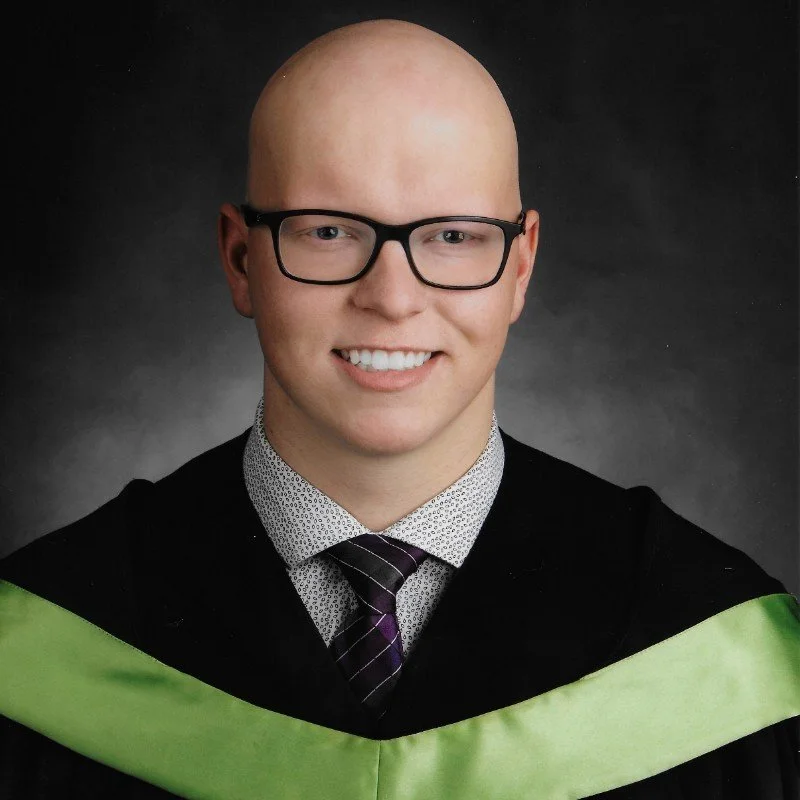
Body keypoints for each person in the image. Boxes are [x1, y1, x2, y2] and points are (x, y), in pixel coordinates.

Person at [0, 18, 797, 800]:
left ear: (519, 267)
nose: (392, 297)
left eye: (453, 235)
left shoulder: (713, 653)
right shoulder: (46, 648)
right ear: (241, 259)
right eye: (327, 231)